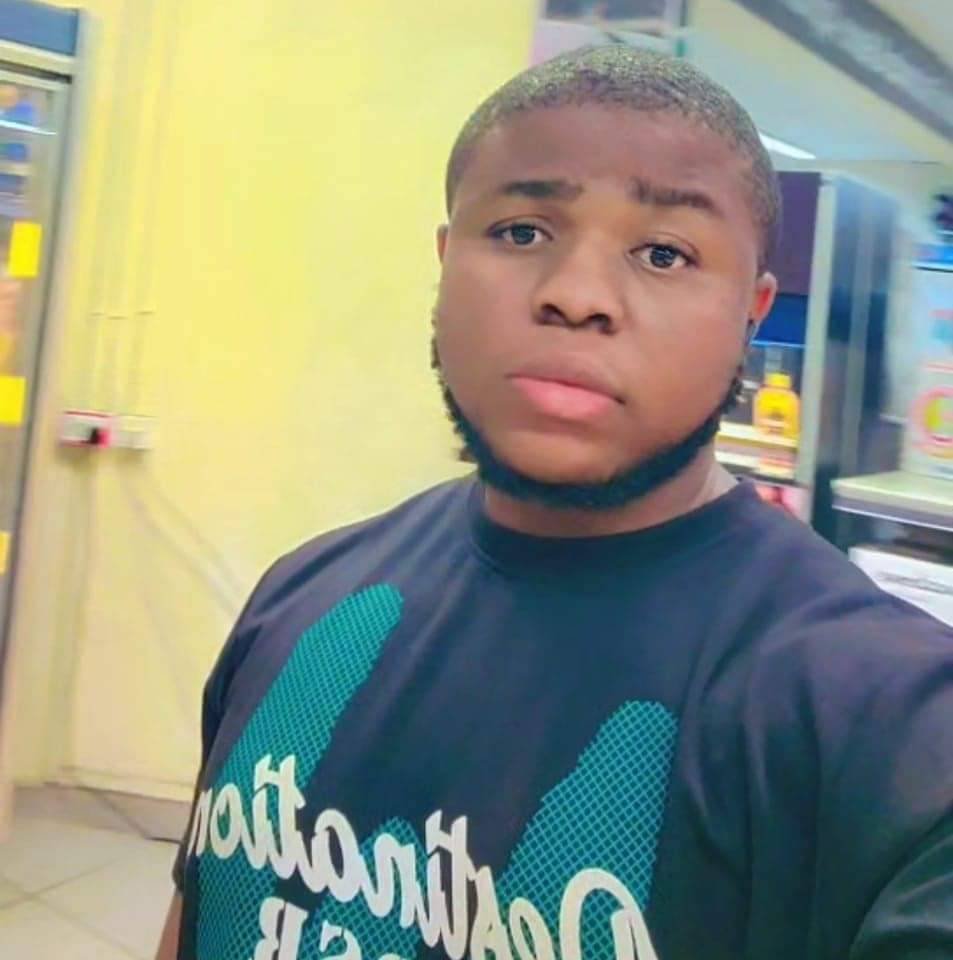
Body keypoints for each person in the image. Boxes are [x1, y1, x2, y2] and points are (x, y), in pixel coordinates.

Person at [157, 45, 953, 960]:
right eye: (521, 232)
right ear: (445, 262)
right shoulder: (300, 602)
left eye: (664, 253)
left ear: (752, 309)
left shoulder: (885, 723)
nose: (576, 297)